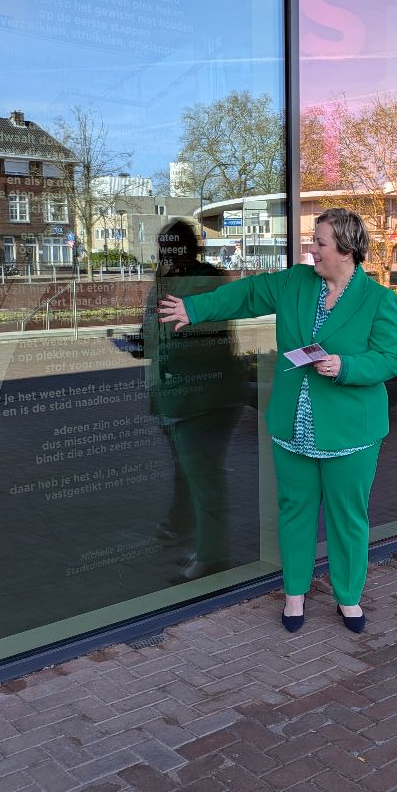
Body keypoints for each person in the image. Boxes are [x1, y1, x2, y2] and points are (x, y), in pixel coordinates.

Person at [158, 208, 397, 633]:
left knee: (348, 518)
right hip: (295, 426)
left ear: (346, 250)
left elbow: (390, 357)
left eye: (320, 243)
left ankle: (348, 598)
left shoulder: (379, 299)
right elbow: (247, 295)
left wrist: (346, 366)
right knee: (295, 512)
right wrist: (195, 308)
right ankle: (295, 595)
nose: (312, 249)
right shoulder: (295, 282)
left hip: (351, 432)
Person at [143, 219, 246, 580]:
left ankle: (211, 556)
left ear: (185, 248)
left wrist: (159, 344)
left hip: (201, 395)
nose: (165, 255)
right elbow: (154, 333)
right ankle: (193, 537)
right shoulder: (168, 280)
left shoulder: (204, 280)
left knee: (204, 476)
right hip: (178, 395)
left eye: (169, 248)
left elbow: (199, 336)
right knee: (192, 472)